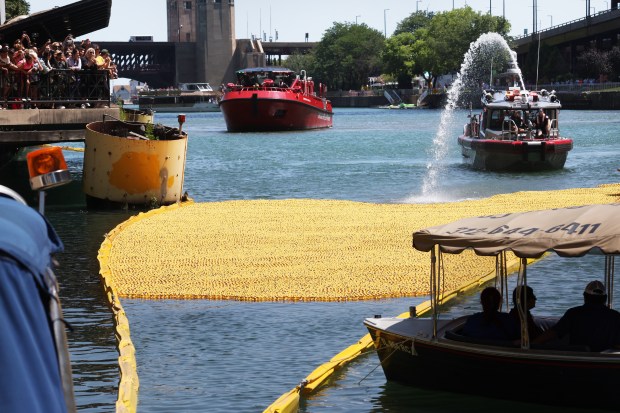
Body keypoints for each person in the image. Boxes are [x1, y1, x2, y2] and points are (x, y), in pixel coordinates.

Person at [533, 281, 620, 352]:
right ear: (605, 298)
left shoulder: (573, 313)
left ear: (585, 297)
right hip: (605, 361)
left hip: (578, 358)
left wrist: (532, 344)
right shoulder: (616, 316)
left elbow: (554, 333)